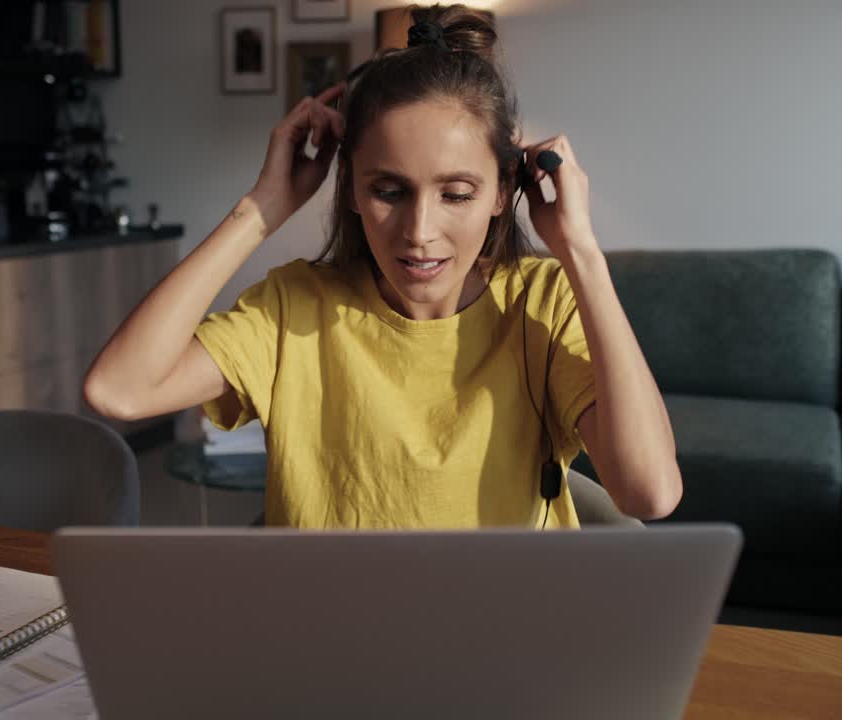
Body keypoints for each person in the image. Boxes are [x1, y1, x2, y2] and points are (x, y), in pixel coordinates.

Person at [84, 4, 681, 529]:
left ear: (503, 193)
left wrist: (581, 253)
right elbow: (118, 392)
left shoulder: (544, 300)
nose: (419, 234)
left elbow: (649, 492)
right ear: (348, 188)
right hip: (331, 640)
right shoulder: (294, 306)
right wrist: (260, 209)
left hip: (504, 634)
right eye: (389, 191)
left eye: (456, 193)